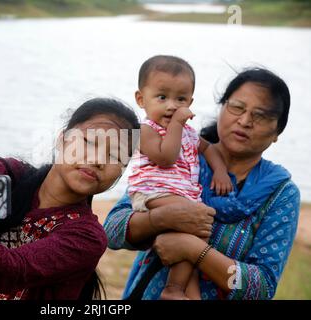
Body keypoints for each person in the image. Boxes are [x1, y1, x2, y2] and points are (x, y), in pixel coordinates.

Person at [104, 68, 300, 300]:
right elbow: (112, 230)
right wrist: (159, 219)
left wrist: (193, 249)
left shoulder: (280, 194)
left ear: (277, 131)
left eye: (261, 115)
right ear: (222, 109)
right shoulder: (178, 152)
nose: (245, 121)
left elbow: (261, 289)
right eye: (237, 107)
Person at [0, 98, 140, 300]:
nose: (97, 160)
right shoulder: (16, 180)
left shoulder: (87, 236)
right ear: (62, 140)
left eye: (114, 156)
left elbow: (12, 270)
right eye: (90, 142)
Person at [128, 55, 232, 300]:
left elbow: (209, 149)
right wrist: (176, 123)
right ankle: (172, 289)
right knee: (195, 223)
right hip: (153, 192)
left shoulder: (187, 132)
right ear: (141, 99)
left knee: (198, 234)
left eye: (181, 99)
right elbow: (166, 157)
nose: (172, 105)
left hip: (180, 195)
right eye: (162, 97)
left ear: (190, 101)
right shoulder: (143, 130)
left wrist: (220, 170)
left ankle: (188, 290)